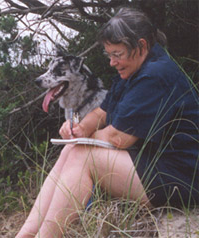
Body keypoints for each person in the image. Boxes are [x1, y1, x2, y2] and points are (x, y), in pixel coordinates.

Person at [16, 7, 199, 238]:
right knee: (74, 148)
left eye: (117, 54)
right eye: (109, 55)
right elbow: (101, 112)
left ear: (141, 46)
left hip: (182, 176)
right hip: (157, 165)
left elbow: (118, 138)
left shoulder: (155, 74)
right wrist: (80, 128)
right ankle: (25, 234)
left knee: (83, 155)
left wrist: (83, 138)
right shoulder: (135, 68)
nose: (112, 62)